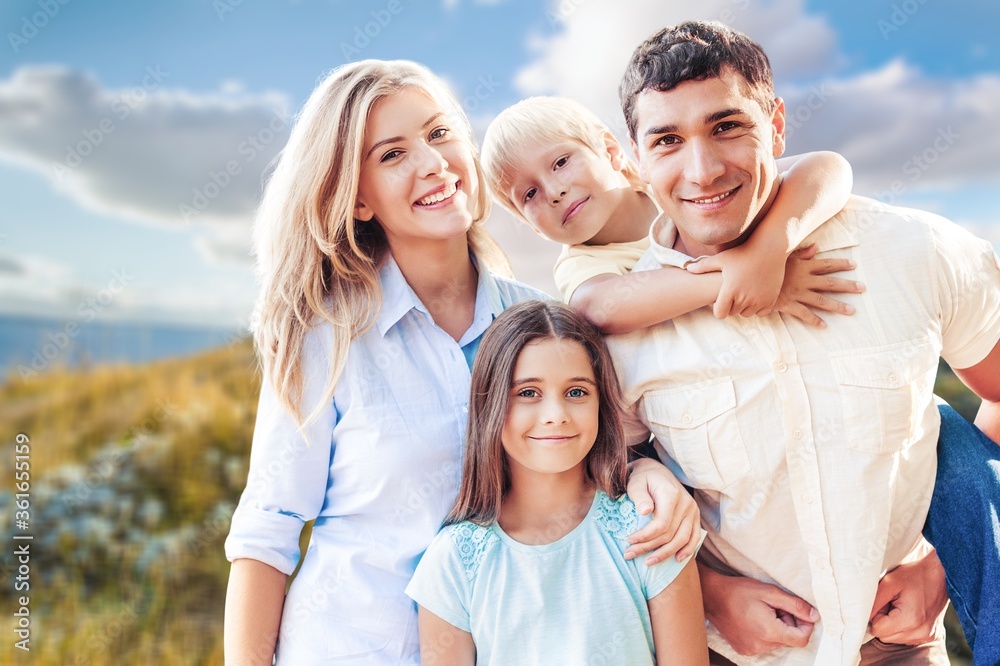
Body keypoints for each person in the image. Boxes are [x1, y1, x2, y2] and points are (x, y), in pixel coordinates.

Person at [222, 59, 701, 665]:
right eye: (392, 154)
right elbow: (267, 532)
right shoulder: (327, 338)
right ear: (359, 199)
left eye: (440, 133)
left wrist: (644, 472)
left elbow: (596, 468)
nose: (431, 162)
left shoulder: (542, 325)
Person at [609, 20, 1000, 665]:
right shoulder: (622, 333)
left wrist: (943, 562)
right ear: (635, 155)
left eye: (727, 126)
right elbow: (593, 492)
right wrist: (705, 594)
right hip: (728, 656)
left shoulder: (914, 252)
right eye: (668, 140)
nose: (701, 170)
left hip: (895, 651)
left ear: (776, 122)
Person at [406, 300, 709, 665]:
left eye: (577, 392)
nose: (556, 416)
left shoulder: (649, 532)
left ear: (601, 403)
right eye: (528, 393)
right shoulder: (454, 560)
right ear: (491, 405)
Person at [480, 95, 864, 334]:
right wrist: (738, 277)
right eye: (529, 194)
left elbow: (826, 167)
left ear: (611, 152)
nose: (554, 192)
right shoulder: (582, 262)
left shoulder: (678, 186)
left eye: (561, 162)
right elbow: (598, 307)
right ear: (527, 223)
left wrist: (767, 251)